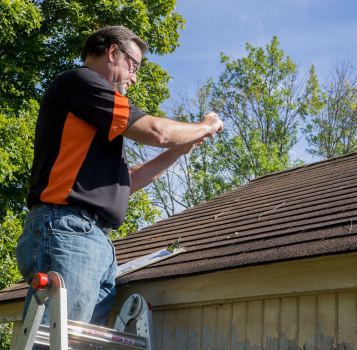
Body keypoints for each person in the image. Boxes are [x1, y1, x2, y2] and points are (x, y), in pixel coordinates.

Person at [15, 25, 223, 327]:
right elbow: (157, 131)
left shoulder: (95, 118)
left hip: (90, 238)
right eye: (133, 66)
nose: (135, 77)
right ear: (113, 52)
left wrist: (180, 149)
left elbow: (127, 182)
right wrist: (205, 126)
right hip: (68, 230)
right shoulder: (80, 83)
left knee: (75, 345)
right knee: (57, 343)